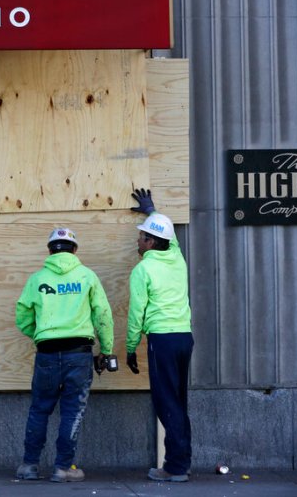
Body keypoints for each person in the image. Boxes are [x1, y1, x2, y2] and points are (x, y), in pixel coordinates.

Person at [14, 228, 114, 483]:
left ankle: (29, 466)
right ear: (75, 250)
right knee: (72, 411)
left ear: (50, 251)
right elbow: (102, 315)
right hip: (78, 354)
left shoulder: (38, 279)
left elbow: (22, 316)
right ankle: (62, 468)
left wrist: (40, 334)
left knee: (39, 410)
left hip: (46, 353)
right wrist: (107, 349)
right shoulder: (87, 276)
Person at [126, 189, 193, 483]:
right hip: (183, 338)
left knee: (167, 402)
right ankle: (181, 463)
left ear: (151, 242)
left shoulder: (144, 269)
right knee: (178, 401)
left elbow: (135, 314)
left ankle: (175, 468)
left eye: (141, 236)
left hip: (162, 341)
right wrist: (152, 211)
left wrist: (130, 348)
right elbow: (172, 237)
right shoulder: (176, 257)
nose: (137, 240)